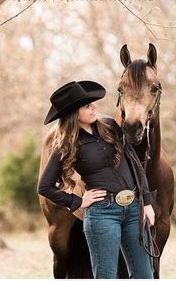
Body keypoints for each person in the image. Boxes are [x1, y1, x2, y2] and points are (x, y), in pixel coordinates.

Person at [37, 80, 156, 279]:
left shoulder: (109, 126)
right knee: (105, 276)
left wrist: (147, 202)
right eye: (87, 105)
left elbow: (135, 163)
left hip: (134, 209)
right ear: (74, 113)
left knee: (145, 275)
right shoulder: (65, 145)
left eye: (92, 103)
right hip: (103, 214)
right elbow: (44, 186)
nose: (95, 107)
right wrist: (78, 201)